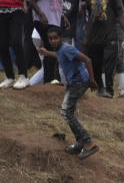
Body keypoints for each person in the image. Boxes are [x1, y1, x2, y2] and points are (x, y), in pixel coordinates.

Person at [37, 26, 99, 159]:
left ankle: (88, 142)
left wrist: (92, 80)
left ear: (61, 38)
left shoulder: (66, 48)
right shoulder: (60, 50)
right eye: (51, 39)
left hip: (80, 82)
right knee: (67, 112)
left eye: (56, 38)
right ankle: (80, 142)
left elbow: (87, 60)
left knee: (66, 112)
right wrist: (47, 52)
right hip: (73, 83)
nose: (53, 41)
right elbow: (59, 56)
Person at [83, 0, 124, 97]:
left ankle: (109, 89)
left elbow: (120, 13)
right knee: (96, 63)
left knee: (109, 63)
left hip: (109, 33)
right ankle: (100, 87)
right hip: (94, 35)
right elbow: (86, 13)